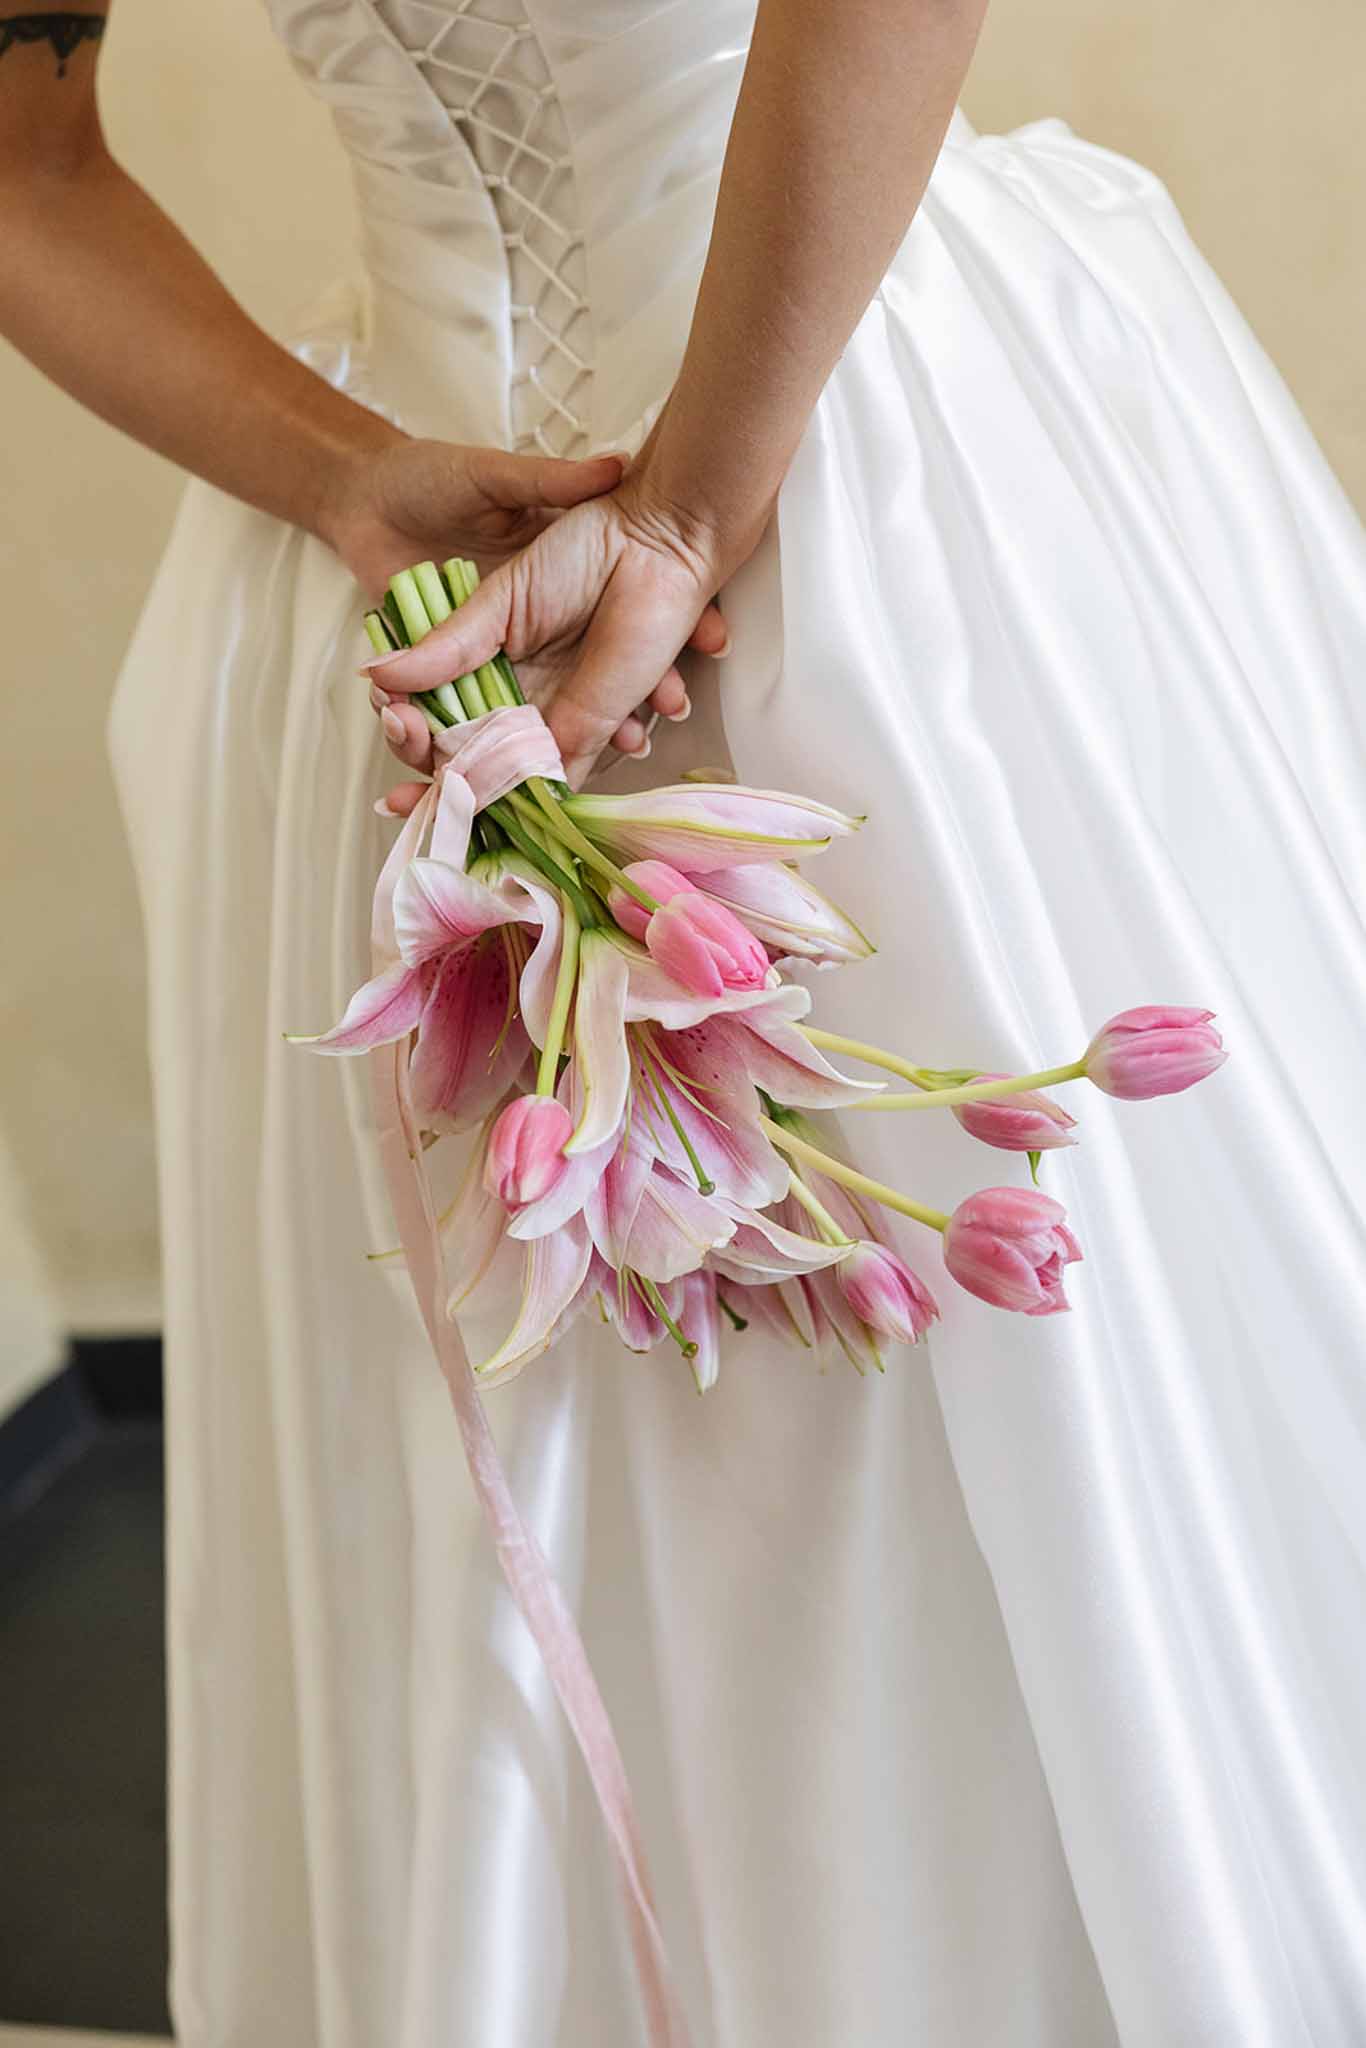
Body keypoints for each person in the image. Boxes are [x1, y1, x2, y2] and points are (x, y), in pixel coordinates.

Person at [6, 0, 1366, 2040]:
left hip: (856, 462)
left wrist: (686, 506)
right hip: (418, 589)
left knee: (982, 1403)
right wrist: (348, 482)